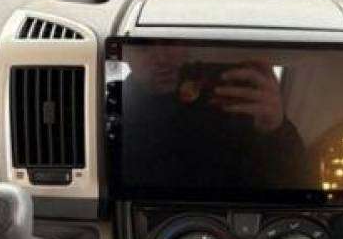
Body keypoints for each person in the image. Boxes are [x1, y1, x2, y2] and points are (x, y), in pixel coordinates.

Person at [122, 43, 310, 191]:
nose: (162, 58)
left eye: (170, 40)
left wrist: (275, 130)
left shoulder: (238, 96)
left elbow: (298, 190)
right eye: (142, 46)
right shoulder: (117, 114)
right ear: (124, 53)